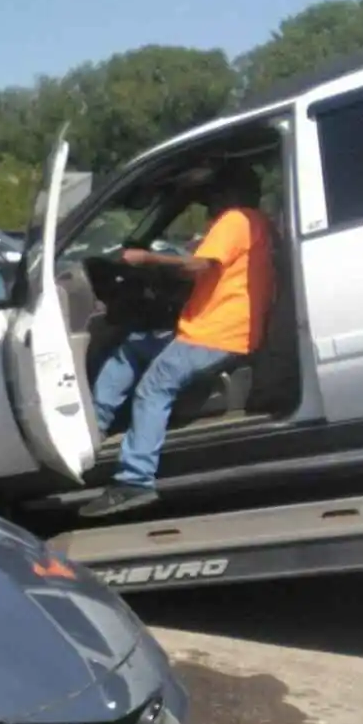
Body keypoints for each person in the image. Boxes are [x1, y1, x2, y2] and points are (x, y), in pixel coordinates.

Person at [79, 162, 274, 518]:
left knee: (154, 386)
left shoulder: (235, 221)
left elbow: (199, 267)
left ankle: (134, 481)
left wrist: (147, 258)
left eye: (210, 195)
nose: (206, 203)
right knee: (134, 347)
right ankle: (92, 431)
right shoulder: (257, 223)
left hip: (219, 335)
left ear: (227, 194)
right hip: (207, 327)